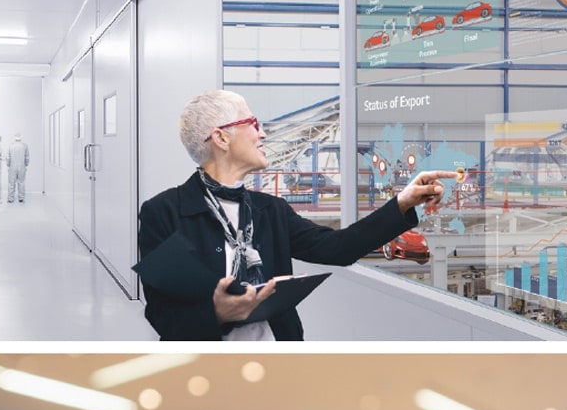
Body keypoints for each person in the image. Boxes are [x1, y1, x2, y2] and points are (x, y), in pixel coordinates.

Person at [137, 90, 448, 340]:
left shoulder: (270, 210)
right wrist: (217, 313)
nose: (262, 134)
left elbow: (338, 248)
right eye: (253, 123)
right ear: (221, 138)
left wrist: (402, 203)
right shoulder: (163, 213)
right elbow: (163, 317)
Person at [6, 132, 28, 203]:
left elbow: (8, 157)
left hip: (12, 166)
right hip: (22, 166)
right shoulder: (24, 146)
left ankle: (10, 199)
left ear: (14, 138)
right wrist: (26, 164)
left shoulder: (11, 146)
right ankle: (21, 198)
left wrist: (8, 165)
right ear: (21, 137)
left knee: (11, 183)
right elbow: (27, 157)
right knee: (21, 182)